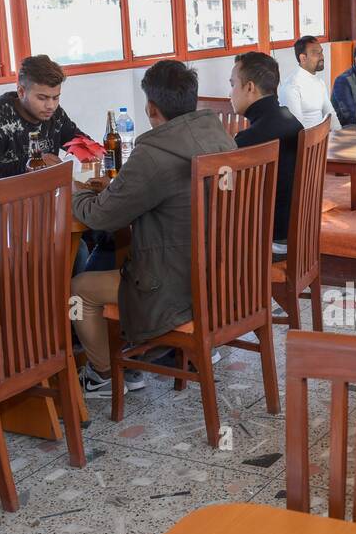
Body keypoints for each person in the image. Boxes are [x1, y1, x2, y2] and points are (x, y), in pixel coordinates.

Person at [70, 60, 236, 399]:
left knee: (78, 290)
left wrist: (79, 193)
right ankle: (143, 356)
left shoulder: (153, 153)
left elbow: (101, 218)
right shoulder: (219, 135)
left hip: (173, 289)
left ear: (151, 107)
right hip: (221, 279)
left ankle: (103, 373)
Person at [0, 54, 88, 182]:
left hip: (48, 191)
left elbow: (79, 142)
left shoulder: (54, 114)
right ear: (21, 92)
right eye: (42, 98)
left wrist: (100, 152)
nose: (51, 106)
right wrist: (31, 164)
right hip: (9, 198)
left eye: (55, 97)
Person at [229, 51, 303, 252]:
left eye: (233, 84)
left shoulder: (251, 139)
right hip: (296, 233)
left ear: (250, 87)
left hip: (271, 242)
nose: (230, 93)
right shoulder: (289, 119)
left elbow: (225, 193)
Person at [279, 35, 341, 132]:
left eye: (321, 52)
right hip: (304, 144)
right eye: (316, 53)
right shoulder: (292, 86)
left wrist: (340, 135)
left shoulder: (320, 83)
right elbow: (296, 128)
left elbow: (330, 114)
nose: (321, 57)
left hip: (322, 141)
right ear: (303, 58)